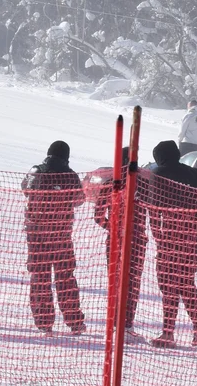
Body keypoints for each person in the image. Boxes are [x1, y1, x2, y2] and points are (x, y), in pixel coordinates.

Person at [144, 140, 197, 349]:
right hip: (192, 234)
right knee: (186, 282)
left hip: (170, 235)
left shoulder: (158, 174)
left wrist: (157, 231)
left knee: (168, 283)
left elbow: (153, 207)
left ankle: (168, 333)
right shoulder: (192, 174)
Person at [21, 140, 86, 336]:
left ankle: (44, 322)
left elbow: (26, 189)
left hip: (37, 235)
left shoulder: (36, 170)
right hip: (61, 236)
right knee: (65, 277)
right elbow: (79, 200)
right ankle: (74, 322)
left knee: (40, 278)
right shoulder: (71, 175)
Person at [93, 147, 148, 342]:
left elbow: (98, 217)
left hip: (122, 240)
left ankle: (120, 324)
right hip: (135, 240)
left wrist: (113, 229)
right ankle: (123, 324)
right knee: (130, 282)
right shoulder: (142, 183)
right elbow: (98, 216)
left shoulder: (114, 183)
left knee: (119, 281)